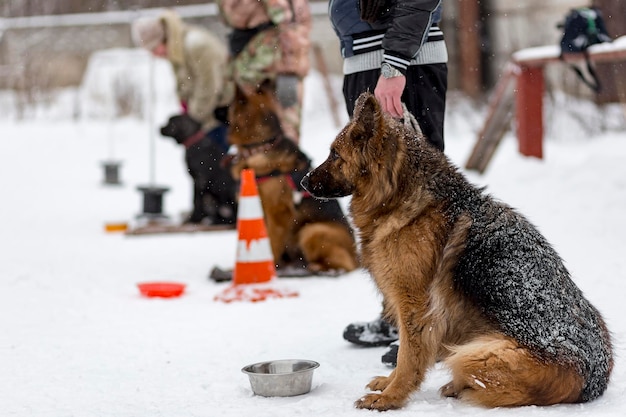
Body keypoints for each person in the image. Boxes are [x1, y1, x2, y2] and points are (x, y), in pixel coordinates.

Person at [328, 0, 448, 366]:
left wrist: (395, 63)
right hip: (368, 62)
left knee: (416, 204)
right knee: (380, 197)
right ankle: (397, 315)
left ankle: (428, 325)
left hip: (401, 65)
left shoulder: (396, 63)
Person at [131, 10, 237, 225]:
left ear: (163, 39)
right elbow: (187, 86)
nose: (154, 54)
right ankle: (208, 209)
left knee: (216, 172)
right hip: (204, 117)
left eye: (153, 48)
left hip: (217, 116)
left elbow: (209, 87)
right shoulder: (178, 50)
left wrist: (193, 122)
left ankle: (225, 211)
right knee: (203, 171)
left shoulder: (197, 45)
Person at [215, 0, 312, 143]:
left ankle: (285, 160)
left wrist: (288, 58)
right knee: (258, 124)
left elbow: (287, 21)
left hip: (276, 56)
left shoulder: (279, 28)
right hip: (257, 52)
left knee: (284, 125)